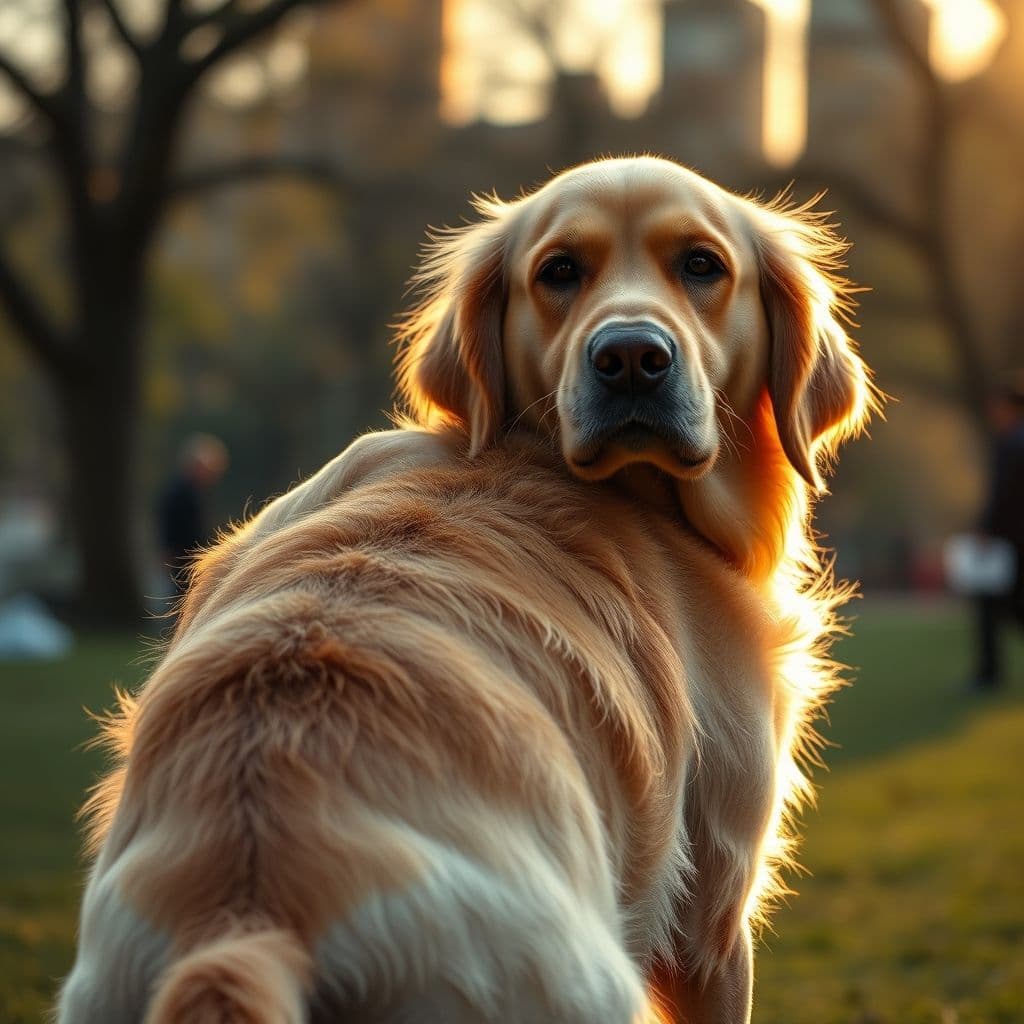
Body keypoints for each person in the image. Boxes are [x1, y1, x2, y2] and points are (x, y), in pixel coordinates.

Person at [970, 376, 1024, 691]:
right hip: (1015, 539)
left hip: (1010, 541)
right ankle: (988, 672)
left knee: (991, 602)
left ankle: (988, 674)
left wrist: (986, 528)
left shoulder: (1010, 444)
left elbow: (1002, 494)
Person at [157, 434, 229, 597]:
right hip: (182, 558)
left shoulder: (195, 492)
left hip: (193, 557)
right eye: (209, 469)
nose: (213, 475)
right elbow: (169, 525)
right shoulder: (179, 492)